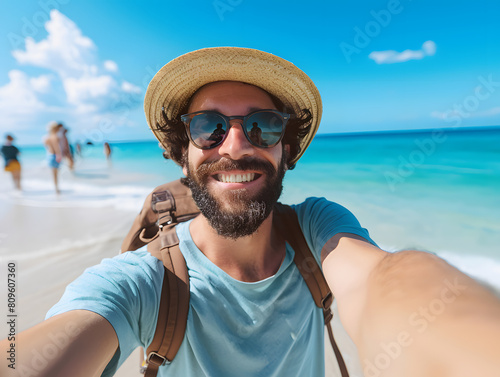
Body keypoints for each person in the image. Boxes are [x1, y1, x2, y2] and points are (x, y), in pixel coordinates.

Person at [2, 47, 500, 377]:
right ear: (183, 151)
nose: (236, 145)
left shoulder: (316, 228)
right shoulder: (145, 281)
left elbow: (382, 280)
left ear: (287, 149)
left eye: (262, 125)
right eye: (209, 127)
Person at [44, 121, 63, 194]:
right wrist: (59, 155)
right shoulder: (55, 136)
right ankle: (57, 189)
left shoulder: (47, 137)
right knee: (56, 174)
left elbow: (46, 146)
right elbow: (56, 146)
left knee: (54, 174)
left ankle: (56, 188)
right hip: (55, 156)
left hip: (49, 155)